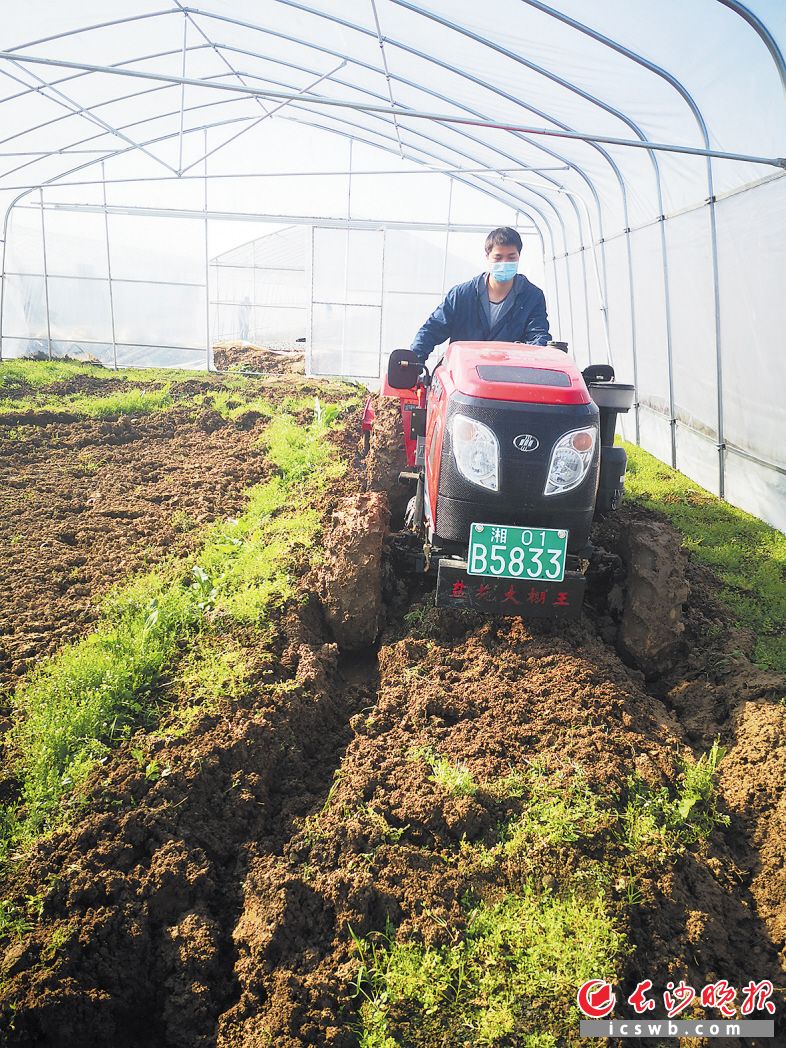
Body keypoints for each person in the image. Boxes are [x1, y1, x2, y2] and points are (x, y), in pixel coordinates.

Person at [410, 226, 551, 371]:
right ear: (487, 257)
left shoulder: (532, 297)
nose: (504, 263)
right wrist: (414, 363)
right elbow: (432, 330)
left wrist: (537, 358)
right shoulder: (462, 295)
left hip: (508, 378)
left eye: (511, 257)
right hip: (462, 378)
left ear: (519, 257)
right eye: (498, 257)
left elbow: (538, 335)